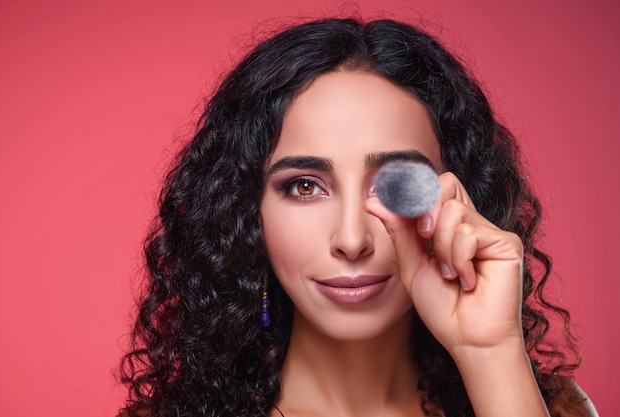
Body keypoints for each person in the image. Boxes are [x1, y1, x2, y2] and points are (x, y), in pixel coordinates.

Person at [119, 17, 598, 417]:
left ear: (460, 198)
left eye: (396, 187)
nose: (351, 239)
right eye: (304, 187)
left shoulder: (545, 406)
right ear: (246, 212)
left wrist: (490, 354)